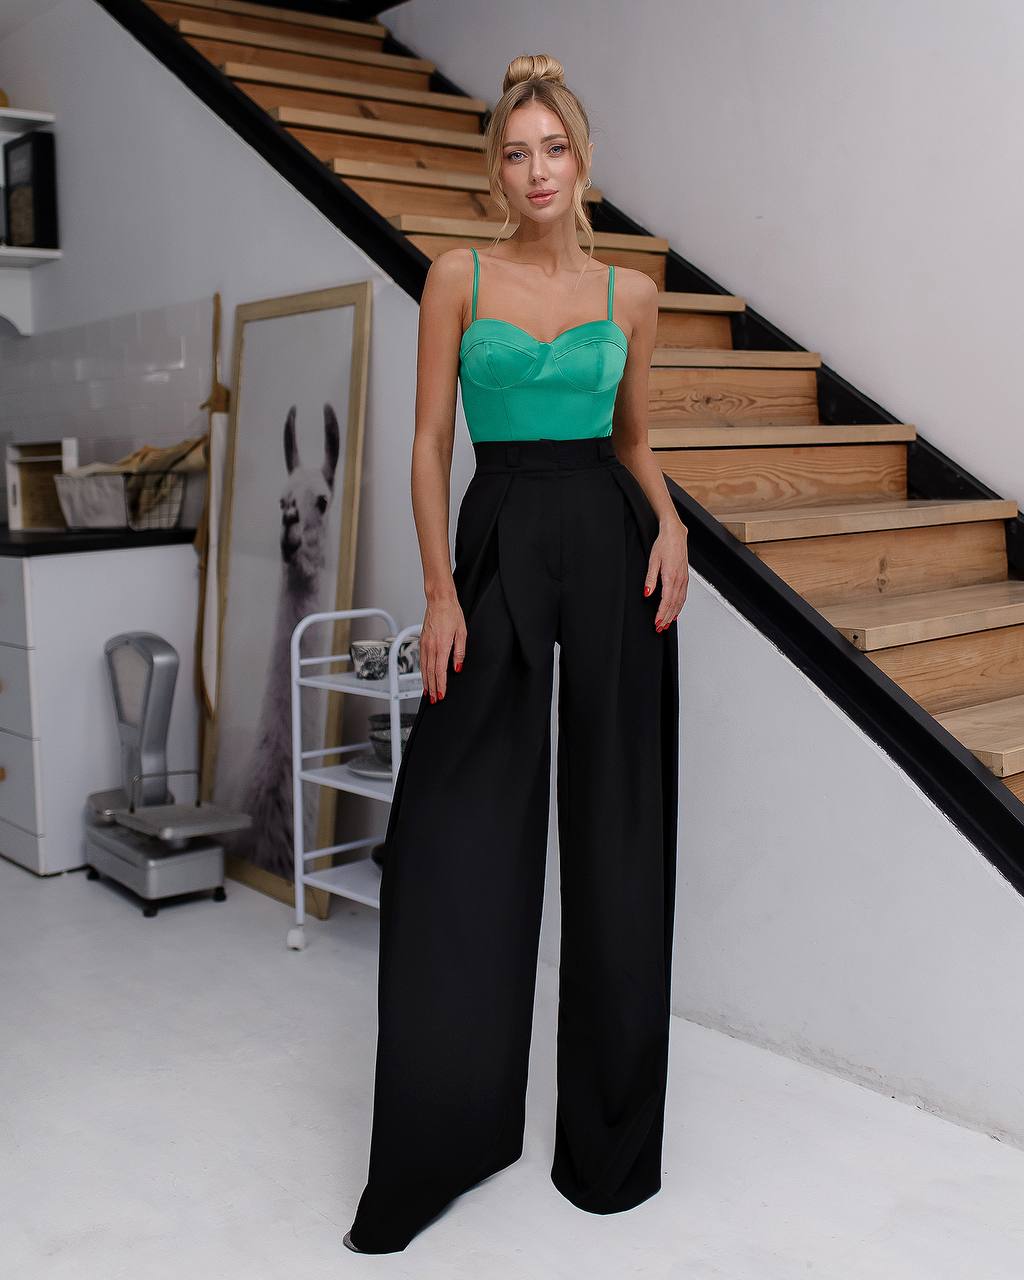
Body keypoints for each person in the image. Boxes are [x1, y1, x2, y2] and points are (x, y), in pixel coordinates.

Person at [344, 51, 689, 1254]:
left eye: (552, 149)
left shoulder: (630, 296)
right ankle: (446, 1135)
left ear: (581, 163)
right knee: (454, 829)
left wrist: (677, 524)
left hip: (608, 537)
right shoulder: (457, 276)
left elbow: (635, 443)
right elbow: (430, 445)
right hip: (494, 538)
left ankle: (608, 1150)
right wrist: (439, 590)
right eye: (513, 150)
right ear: (494, 168)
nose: (534, 169)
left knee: (616, 833)